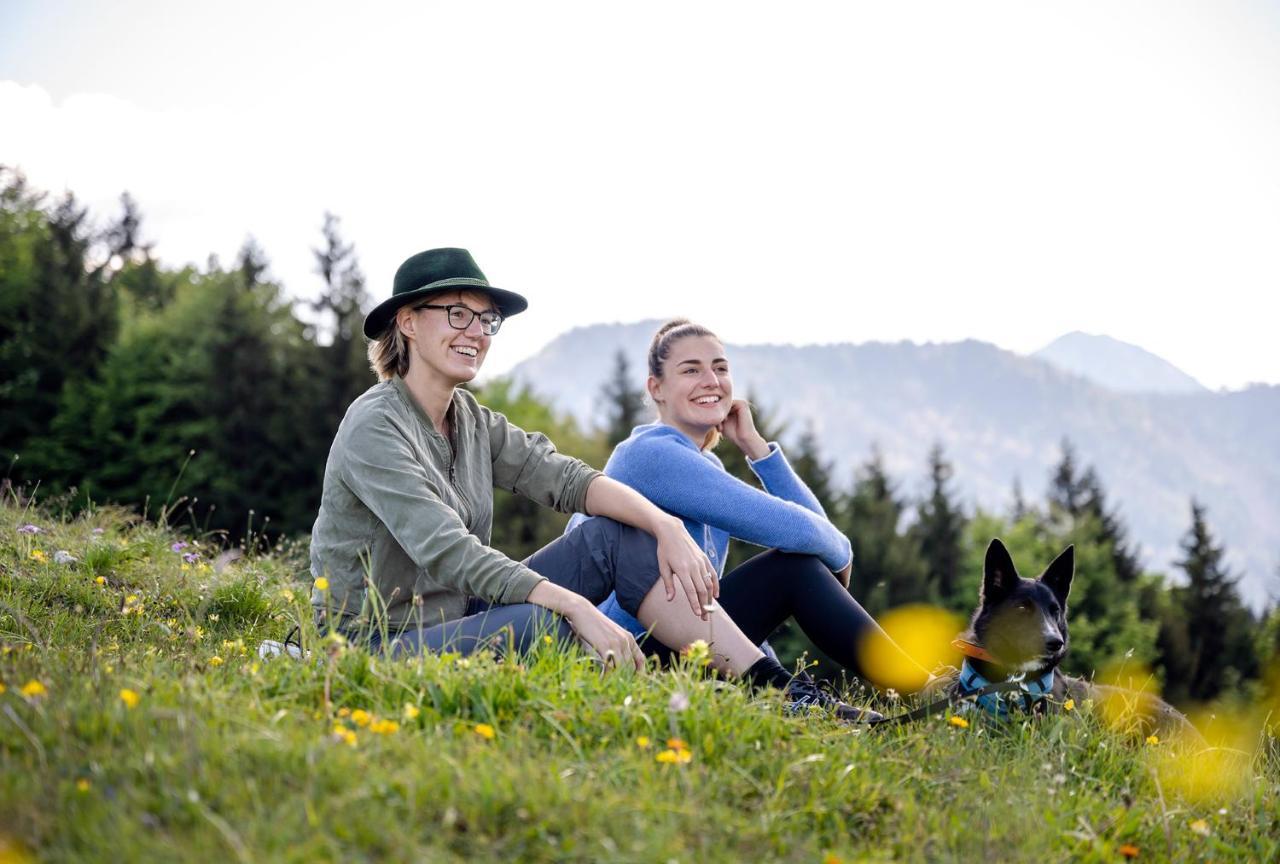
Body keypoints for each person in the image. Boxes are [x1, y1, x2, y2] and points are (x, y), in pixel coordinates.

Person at [308, 249, 859, 718]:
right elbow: (446, 549)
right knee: (540, 623)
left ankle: (776, 690)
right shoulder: (375, 424)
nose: (477, 332)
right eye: (457, 314)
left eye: (486, 320)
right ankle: (684, 691)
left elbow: (567, 479)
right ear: (408, 321)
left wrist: (662, 524)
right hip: (379, 644)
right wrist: (576, 605)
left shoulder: (470, 419)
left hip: (460, 617)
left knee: (623, 533)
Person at [569, 319, 933, 702]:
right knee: (792, 571)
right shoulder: (649, 454)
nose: (711, 380)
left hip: (676, 643)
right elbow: (802, 535)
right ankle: (921, 689)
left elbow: (816, 537)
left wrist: (756, 447)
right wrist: (838, 551)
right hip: (623, 655)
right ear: (656, 387)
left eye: (720, 368)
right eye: (691, 369)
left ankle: (904, 691)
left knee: (800, 567)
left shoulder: (705, 465)